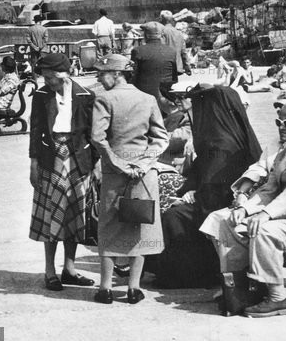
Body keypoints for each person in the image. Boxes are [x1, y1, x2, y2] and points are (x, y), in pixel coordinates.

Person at [200, 99, 286, 318]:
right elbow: (269, 188)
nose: (281, 127)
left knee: (264, 231)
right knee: (224, 220)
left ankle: (277, 298)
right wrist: (247, 209)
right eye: (279, 122)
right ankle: (240, 287)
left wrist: (266, 214)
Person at [151, 81, 263, 289]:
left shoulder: (220, 145)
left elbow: (213, 191)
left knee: (172, 217)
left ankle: (189, 275)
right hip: (215, 199)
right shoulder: (227, 136)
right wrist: (191, 191)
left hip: (219, 204)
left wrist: (192, 195)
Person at [91, 54, 169, 304]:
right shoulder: (147, 99)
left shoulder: (104, 98)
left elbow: (97, 138)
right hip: (145, 174)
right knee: (140, 225)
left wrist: (119, 164)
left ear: (116, 74)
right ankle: (133, 288)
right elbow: (161, 137)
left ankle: (105, 289)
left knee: (109, 226)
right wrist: (144, 163)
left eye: (102, 74)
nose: (99, 79)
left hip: (116, 173)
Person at [29, 53, 98, 291]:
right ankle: (50, 271)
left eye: (51, 78)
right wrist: (34, 163)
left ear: (64, 75)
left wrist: (95, 164)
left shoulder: (85, 95)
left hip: (79, 159)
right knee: (51, 214)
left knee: (75, 215)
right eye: (45, 78)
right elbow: (35, 130)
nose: (47, 82)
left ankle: (69, 269)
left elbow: (93, 133)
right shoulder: (40, 95)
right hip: (52, 157)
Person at [131, 21, 178, 113]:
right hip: (165, 96)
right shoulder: (171, 51)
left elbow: (134, 76)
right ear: (161, 35)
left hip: (145, 96)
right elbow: (174, 76)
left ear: (146, 35)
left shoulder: (138, 51)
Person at [159, 10, 192, 76]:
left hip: (165, 68)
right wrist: (187, 67)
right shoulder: (179, 33)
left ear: (162, 19)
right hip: (177, 68)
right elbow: (184, 52)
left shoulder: (161, 32)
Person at [26, 15, 49, 79]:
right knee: (45, 65)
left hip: (34, 49)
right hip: (43, 49)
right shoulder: (44, 29)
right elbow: (45, 40)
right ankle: (46, 79)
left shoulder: (29, 29)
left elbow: (28, 40)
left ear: (34, 21)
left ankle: (35, 80)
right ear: (40, 21)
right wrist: (41, 47)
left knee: (33, 65)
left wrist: (35, 47)